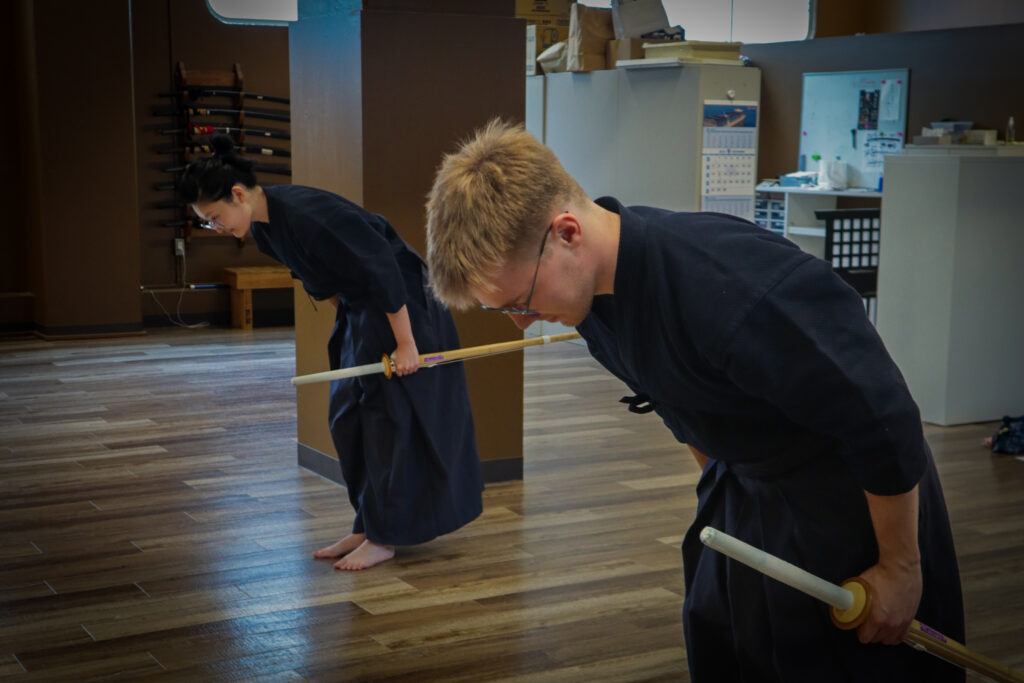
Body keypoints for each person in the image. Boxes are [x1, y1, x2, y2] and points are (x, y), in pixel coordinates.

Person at [423, 120, 964, 681]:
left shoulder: (727, 285)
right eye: (502, 309)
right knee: (726, 645)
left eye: (523, 300)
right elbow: (679, 404)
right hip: (744, 492)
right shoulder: (591, 301)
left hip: (854, 501)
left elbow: (881, 416)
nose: (521, 323)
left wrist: (900, 566)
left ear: (566, 233)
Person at [178, 135, 483, 571]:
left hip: (400, 303)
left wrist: (406, 343)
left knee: (388, 418)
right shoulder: (265, 231)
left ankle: (385, 536)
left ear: (238, 195)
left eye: (213, 217)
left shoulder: (304, 214)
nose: (216, 228)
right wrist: (354, 329)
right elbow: (323, 282)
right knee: (347, 413)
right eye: (208, 222)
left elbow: (380, 264)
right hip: (362, 308)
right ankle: (367, 522)